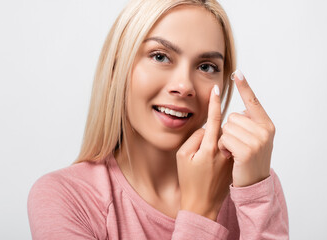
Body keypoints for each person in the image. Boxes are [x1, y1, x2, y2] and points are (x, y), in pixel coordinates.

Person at [27, 0, 289, 239]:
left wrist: (255, 195)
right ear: (118, 67)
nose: (184, 86)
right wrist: (200, 213)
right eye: (160, 56)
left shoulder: (252, 179)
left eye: (206, 66)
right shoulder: (64, 197)